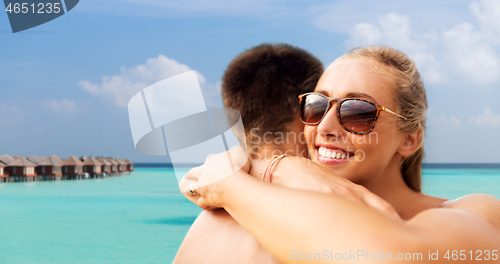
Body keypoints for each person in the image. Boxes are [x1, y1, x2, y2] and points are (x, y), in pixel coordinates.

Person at [181, 46, 500, 263]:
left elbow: (390, 255)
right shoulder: (249, 212)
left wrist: (232, 183)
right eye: (316, 105)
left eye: (358, 111)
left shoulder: (480, 212)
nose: (325, 126)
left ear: (410, 139)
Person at [174, 43, 324, 263]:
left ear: (235, 126)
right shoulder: (321, 216)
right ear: (305, 111)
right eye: (321, 107)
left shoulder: (206, 219)